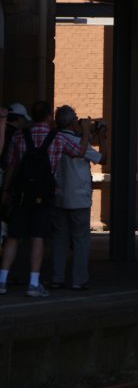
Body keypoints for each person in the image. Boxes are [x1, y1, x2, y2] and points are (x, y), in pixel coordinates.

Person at [0, 101, 89, 297]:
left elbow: (11, 165)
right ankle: (33, 284)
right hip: (44, 196)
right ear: (49, 117)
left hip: (21, 195)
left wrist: (6, 190)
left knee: (13, 237)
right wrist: (86, 132)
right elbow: (79, 152)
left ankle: (2, 281)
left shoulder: (19, 136)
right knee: (38, 237)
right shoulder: (57, 138)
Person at [51, 106, 105, 291]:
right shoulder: (77, 142)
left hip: (59, 196)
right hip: (79, 198)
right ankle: (78, 280)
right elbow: (102, 158)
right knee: (81, 240)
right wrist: (100, 137)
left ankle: (57, 278)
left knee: (59, 240)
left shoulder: (54, 139)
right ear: (72, 122)